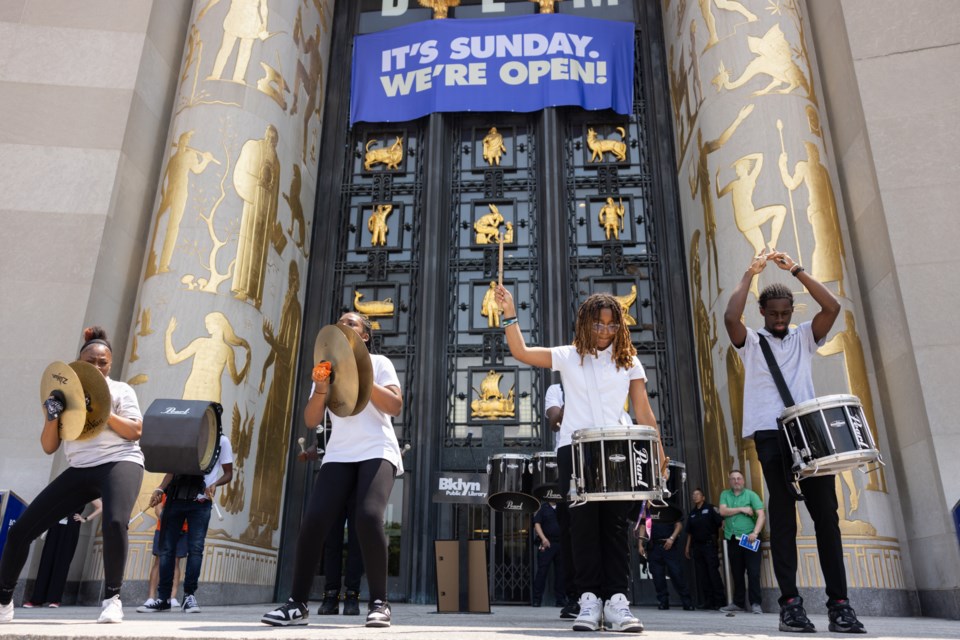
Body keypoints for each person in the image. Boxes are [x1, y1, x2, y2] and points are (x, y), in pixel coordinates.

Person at [496, 286, 661, 633]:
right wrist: (509, 311)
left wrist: (658, 453)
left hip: (618, 447)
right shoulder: (568, 355)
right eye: (599, 324)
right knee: (583, 528)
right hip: (576, 450)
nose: (605, 331)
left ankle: (617, 602)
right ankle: (588, 601)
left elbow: (643, 411)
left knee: (615, 528)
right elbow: (521, 351)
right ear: (585, 323)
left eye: (611, 324)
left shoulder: (628, 359)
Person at [725, 250, 865, 633]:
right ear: (763, 312)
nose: (781, 319)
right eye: (773, 313)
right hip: (771, 435)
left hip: (809, 433)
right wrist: (749, 273)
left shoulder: (805, 336)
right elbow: (730, 318)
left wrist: (797, 270)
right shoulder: (751, 342)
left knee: (827, 519)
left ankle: (840, 604)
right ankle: (790, 604)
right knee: (784, 520)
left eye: (786, 313)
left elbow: (832, 306)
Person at [261, 312, 403, 628]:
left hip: (376, 449)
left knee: (367, 515)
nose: (344, 325)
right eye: (340, 321)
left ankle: (379, 602)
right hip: (339, 453)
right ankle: (296, 605)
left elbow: (394, 406)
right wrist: (322, 387)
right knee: (314, 521)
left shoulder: (379, 363)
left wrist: (360, 374)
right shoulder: (327, 369)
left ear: (364, 335)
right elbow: (312, 420)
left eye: (351, 323)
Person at [0, 326, 144, 624]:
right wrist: (52, 416)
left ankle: (113, 599)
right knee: (19, 532)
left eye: (102, 361)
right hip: (79, 468)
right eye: (90, 360)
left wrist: (101, 411)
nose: (96, 366)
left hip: (120, 461)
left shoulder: (120, 390)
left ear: (110, 364)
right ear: (78, 363)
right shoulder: (63, 395)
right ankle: (3, 602)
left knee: (115, 520)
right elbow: (49, 446)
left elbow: (135, 431)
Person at [140, 433, 234, 613]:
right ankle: (163, 598)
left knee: (196, 549)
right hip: (175, 500)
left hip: (200, 502)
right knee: (166, 549)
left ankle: (189, 596)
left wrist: (215, 483)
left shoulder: (221, 441)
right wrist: (160, 488)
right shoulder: (185, 436)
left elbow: (228, 473)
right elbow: (172, 470)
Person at [297, 443, 365, 616]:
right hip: (334, 482)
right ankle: (331, 596)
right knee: (331, 543)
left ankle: (352, 596)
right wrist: (309, 452)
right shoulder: (332, 417)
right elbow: (324, 440)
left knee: (357, 543)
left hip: (359, 481)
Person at [23, 499, 102, 608]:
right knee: (46, 560)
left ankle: (54, 599)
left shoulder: (87, 488)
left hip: (71, 527)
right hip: (55, 525)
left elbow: (101, 506)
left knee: (63, 562)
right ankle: (36, 599)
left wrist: (85, 519)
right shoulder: (64, 486)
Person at [545, 383, 579, 619]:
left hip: (598, 455)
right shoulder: (556, 390)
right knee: (570, 532)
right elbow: (554, 421)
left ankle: (610, 595)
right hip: (568, 458)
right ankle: (574, 598)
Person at [718, 469, 765, 614]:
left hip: (749, 539)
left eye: (738, 478)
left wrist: (755, 533)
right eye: (733, 479)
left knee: (753, 572)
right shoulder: (725, 494)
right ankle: (738, 603)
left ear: (743, 480)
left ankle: (756, 603)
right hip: (732, 539)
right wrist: (742, 509)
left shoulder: (751, 495)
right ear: (729, 481)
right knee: (736, 572)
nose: (736, 481)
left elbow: (761, 515)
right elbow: (723, 512)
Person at [138, 494, 188, 612]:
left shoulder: (194, 492)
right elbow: (158, 508)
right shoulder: (167, 490)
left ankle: (172, 597)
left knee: (175, 562)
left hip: (183, 529)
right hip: (164, 529)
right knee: (159, 561)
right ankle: (151, 598)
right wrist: (166, 521)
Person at [638, 508, 694, 611]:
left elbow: (679, 525)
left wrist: (672, 538)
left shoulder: (670, 508)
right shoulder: (649, 510)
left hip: (669, 546)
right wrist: (640, 544)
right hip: (654, 547)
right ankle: (663, 602)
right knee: (658, 576)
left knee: (677, 574)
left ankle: (687, 602)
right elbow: (643, 526)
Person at [684, 488, 725, 610]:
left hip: (709, 546)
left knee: (713, 573)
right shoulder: (692, 513)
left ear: (703, 497)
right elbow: (689, 533)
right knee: (703, 575)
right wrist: (687, 547)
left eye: (697, 494)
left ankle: (720, 601)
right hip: (697, 547)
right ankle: (708, 601)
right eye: (693, 494)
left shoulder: (711, 509)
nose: (695, 496)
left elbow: (721, 523)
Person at [531, 500, 565, 608]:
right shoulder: (543, 507)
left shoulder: (562, 506)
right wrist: (544, 539)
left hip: (561, 543)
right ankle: (537, 600)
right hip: (547, 543)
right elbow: (537, 524)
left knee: (561, 573)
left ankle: (561, 600)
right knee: (542, 571)